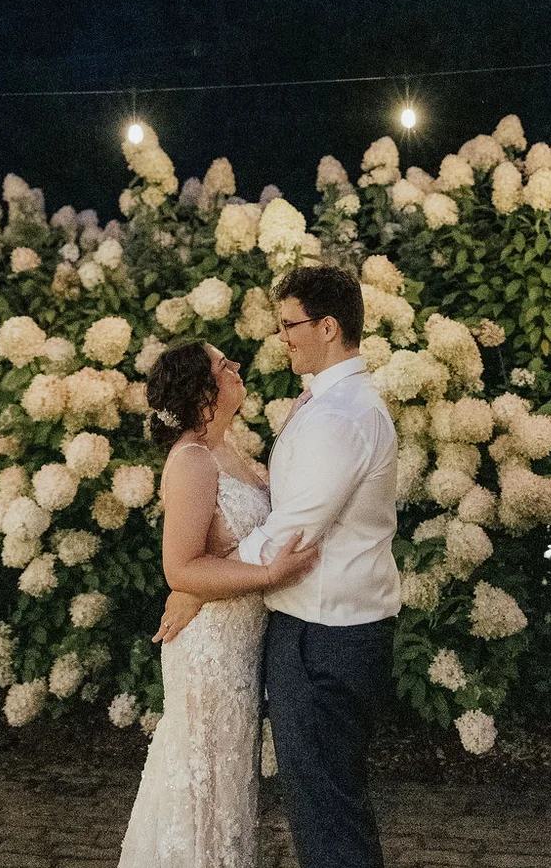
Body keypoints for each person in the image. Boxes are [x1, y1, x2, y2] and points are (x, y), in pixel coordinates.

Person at [157, 264, 401, 868]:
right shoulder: (322, 407)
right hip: (303, 631)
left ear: (327, 327)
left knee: (327, 811)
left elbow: (290, 535)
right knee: (325, 804)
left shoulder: (341, 416)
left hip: (324, 638)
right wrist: (198, 575)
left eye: (290, 324)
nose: (280, 337)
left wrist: (197, 582)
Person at [118, 339, 318, 868]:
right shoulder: (190, 461)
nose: (237, 368)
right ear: (201, 389)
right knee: (202, 784)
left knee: (228, 784)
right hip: (209, 647)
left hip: (240, 641)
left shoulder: (230, 449)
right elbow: (180, 567)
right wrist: (269, 573)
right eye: (223, 364)